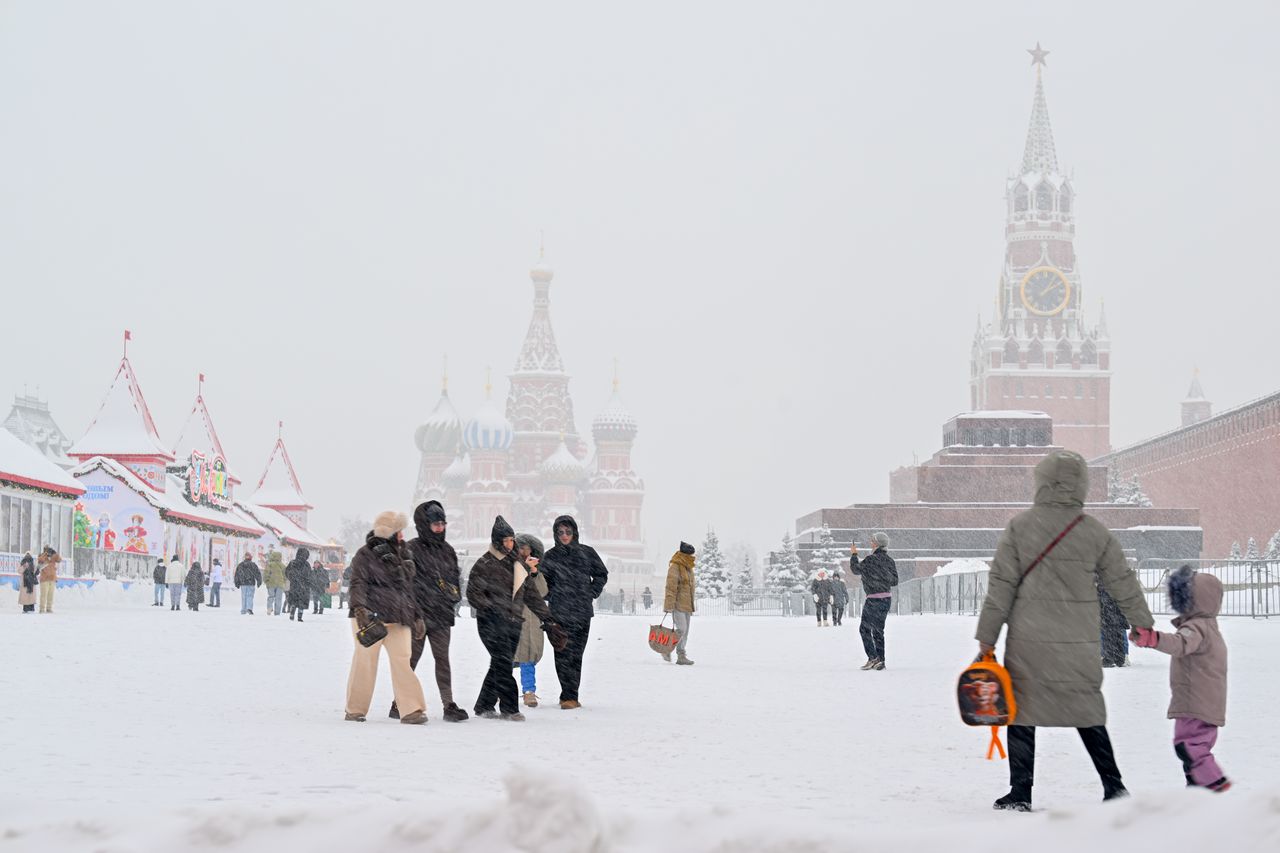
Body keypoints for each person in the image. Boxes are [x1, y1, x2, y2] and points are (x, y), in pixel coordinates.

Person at [976, 450, 1154, 812]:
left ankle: (1020, 792)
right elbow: (1122, 580)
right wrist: (1141, 622)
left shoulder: (1020, 527)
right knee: (1087, 709)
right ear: (1081, 485)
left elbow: (1001, 586)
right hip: (1078, 639)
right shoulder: (1093, 531)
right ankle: (1114, 786)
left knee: (1021, 713)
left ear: (1041, 482)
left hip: (1028, 639)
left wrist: (987, 636)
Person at [1131, 565, 1231, 792]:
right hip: (1206, 701)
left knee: (1188, 746)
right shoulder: (1209, 626)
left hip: (1195, 701)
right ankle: (1196, 789)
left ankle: (1213, 784)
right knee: (1194, 746)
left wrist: (1153, 639)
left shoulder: (1196, 627)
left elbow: (1180, 644)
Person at [466, 516, 560, 721]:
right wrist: (493, 609)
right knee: (502, 661)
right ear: (497, 541)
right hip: (490, 623)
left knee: (501, 663)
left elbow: (532, 596)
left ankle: (484, 705)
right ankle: (509, 708)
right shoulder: (485, 563)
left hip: (513, 623)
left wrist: (548, 619)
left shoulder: (518, 565)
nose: (509, 544)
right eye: (505, 540)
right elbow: (473, 593)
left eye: (511, 540)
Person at [345, 511, 428, 725]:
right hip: (369, 617)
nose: (402, 535)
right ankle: (355, 709)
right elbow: (357, 583)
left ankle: (411, 709)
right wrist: (359, 609)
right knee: (365, 663)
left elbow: (409, 590)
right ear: (388, 533)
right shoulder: (365, 555)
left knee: (403, 661)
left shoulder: (405, 555)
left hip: (399, 617)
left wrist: (417, 616)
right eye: (399, 531)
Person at [399, 500, 468, 722]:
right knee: (411, 661)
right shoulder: (411, 549)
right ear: (424, 524)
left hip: (441, 615)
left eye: (442, 524)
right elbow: (405, 584)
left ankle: (448, 704)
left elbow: (454, 579)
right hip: (418, 615)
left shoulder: (448, 550)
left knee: (442, 660)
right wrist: (414, 613)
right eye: (436, 524)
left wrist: (453, 595)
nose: (440, 528)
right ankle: (399, 702)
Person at [541, 514, 608, 709]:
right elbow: (542, 583)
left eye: (568, 532)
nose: (564, 535)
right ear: (555, 534)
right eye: (560, 532)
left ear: (574, 532)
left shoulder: (586, 553)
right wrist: (553, 595)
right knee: (562, 655)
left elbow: (601, 574)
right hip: (558, 614)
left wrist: (591, 592)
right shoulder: (550, 556)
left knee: (576, 655)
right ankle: (567, 695)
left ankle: (571, 696)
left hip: (581, 613)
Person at [851, 533, 898, 669]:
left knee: (864, 629)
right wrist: (883, 574)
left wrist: (854, 554)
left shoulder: (870, 559)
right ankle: (881, 660)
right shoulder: (890, 561)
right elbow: (894, 581)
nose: (871, 542)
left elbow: (855, 569)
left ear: (877, 544)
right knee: (878, 630)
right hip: (886, 599)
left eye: (872, 541)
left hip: (873, 599)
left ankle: (873, 657)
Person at [513, 532, 549, 706]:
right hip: (512, 618)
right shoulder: (508, 568)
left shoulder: (536, 571)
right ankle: (498, 690)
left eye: (528, 549)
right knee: (506, 659)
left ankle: (529, 692)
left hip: (530, 619)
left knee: (528, 658)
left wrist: (534, 572)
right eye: (521, 548)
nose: (525, 552)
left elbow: (542, 592)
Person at [663, 542, 696, 665]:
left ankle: (681, 656)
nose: (692, 557)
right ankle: (666, 648)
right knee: (681, 629)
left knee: (685, 632)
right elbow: (670, 587)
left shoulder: (688, 568)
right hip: (677, 604)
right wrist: (669, 605)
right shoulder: (675, 567)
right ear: (684, 555)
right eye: (690, 555)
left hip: (687, 604)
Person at [1098, 576, 1130, 668]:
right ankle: (1120, 658)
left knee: (1109, 634)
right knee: (1117, 633)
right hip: (1116, 611)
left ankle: (1110, 658)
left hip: (1109, 612)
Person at [285, 548, 312, 621]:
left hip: (294, 585)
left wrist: (292, 579)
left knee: (294, 600)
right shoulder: (307, 565)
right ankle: (300, 616)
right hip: (304, 586)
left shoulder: (292, 562)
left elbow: (287, 572)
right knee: (302, 602)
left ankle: (292, 612)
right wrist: (308, 582)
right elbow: (310, 575)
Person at [37, 546, 60, 613]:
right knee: (43, 595)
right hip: (44, 579)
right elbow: (40, 560)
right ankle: (42, 609)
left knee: (50, 595)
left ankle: (49, 608)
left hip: (52, 578)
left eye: (49, 550)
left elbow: (59, 560)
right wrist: (45, 554)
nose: (49, 552)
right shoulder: (42, 556)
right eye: (47, 550)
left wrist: (55, 553)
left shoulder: (53, 557)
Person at [263, 549, 286, 616]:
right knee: (278, 598)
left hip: (271, 583)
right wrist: (283, 581)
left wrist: (266, 581)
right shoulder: (282, 565)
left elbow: (266, 573)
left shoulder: (269, 565)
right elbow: (285, 575)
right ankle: (277, 612)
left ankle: (269, 608)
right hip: (280, 584)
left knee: (271, 596)